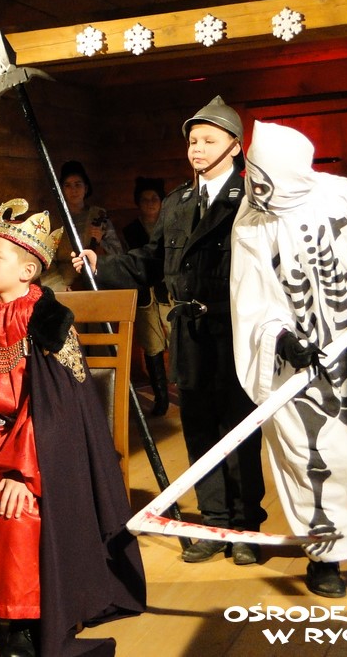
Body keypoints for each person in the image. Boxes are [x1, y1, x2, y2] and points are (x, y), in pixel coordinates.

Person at [0, 198, 145, 657]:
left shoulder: (50, 325)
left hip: (42, 448)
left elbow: (59, 412)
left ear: (27, 271)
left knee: (16, 510)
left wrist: (23, 471)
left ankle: (25, 620)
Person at [73, 96, 267, 566]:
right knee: (198, 430)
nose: (197, 149)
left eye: (208, 141)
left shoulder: (253, 198)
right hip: (189, 333)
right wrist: (103, 264)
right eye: (193, 141)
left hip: (235, 332)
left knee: (239, 429)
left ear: (235, 146)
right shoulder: (179, 202)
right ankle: (214, 522)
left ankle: (246, 527)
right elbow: (151, 260)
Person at [230, 121, 347, 598]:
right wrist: (279, 336)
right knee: (314, 454)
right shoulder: (252, 220)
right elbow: (249, 293)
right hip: (298, 362)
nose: (258, 188)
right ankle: (324, 554)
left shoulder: (346, 199)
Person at [121, 176, 172, 416]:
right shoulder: (130, 231)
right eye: (145, 199)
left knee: (177, 340)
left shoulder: (170, 226)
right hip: (144, 294)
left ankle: (185, 392)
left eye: (154, 198)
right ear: (138, 203)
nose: (150, 203)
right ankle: (161, 397)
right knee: (152, 345)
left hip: (168, 292)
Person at [42, 160, 122, 291]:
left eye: (78, 185)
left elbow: (118, 254)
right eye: (68, 185)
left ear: (86, 188)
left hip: (98, 281)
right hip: (64, 284)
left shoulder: (99, 215)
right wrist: (60, 288)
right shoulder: (53, 220)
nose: (73, 190)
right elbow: (46, 261)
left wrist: (101, 242)